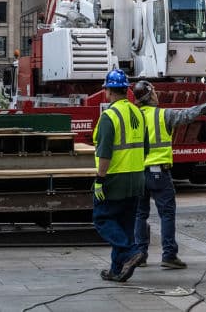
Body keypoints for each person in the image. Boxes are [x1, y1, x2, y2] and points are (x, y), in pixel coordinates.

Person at [130, 80, 206, 272]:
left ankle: (140, 255)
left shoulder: (131, 116)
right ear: (151, 95)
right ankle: (169, 255)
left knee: (139, 214)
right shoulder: (163, 115)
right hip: (158, 172)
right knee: (166, 214)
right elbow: (187, 115)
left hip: (136, 172)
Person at [91, 69, 147, 282]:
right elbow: (146, 148)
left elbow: (104, 153)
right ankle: (116, 269)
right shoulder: (138, 114)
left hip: (115, 179)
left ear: (108, 91)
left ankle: (131, 252)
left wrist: (100, 179)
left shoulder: (109, 116)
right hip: (137, 178)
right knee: (124, 224)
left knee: (102, 218)